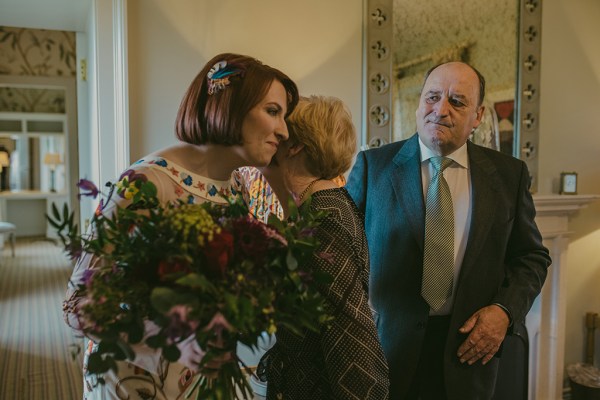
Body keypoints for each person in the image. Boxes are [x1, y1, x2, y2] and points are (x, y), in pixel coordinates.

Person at [63, 52, 299, 399]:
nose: (284, 130)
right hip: (133, 377)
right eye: (273, 111)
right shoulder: (146, 183)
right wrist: (171, 338)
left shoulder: (239, 190)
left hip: (200, 380)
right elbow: (78, 305)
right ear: (231, 105)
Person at [345, 61, 552, 400]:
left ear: (478, 116)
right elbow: (339, 254)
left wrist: (504, 312)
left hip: (467, 356)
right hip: (383, 353)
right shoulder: (374, 167)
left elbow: (532, 257)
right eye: (433, 97)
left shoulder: (509, 175)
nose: (440, 110)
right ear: (418, 103)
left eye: (457, 101)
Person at [256, 95, 389, 399]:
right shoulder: (324, 204)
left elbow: (348, 325)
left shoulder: (324, 215)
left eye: (281, 130)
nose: (273, 136)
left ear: (296, 145)